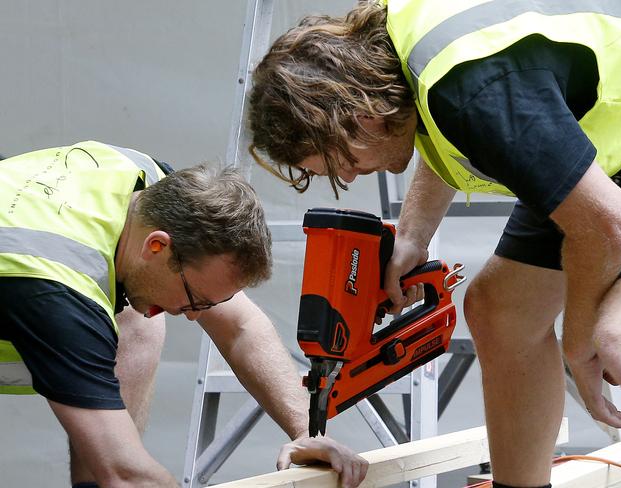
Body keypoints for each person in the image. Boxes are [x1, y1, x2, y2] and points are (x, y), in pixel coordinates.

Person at [248, 2, 621, 487]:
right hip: (605, 135)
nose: (351, 176)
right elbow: (451, 127)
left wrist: (579, 341)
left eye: (342, 161)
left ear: (360, 112)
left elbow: (608, 226)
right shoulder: (409, 62)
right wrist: (412, 236)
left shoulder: (471, 90)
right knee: (500, 311)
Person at [0, 140, 368, 488]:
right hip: (26, 278)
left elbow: (240, 326)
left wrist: (308, 433)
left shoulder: (149, 188)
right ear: (157, 245)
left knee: (141, 314)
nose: (194, 317)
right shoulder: (59, 287)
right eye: (196, 300)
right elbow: (127, 475)